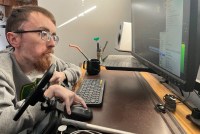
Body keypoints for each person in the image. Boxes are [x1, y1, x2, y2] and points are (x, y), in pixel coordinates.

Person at [0, 5, 87, 133]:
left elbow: (75, 69)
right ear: (14, 39)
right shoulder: (3, 70)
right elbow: (3, 126)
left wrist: (64, 75)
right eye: (43, 34)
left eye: (53, 36)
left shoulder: (47, 59)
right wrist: (46, 96)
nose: (52, 43)